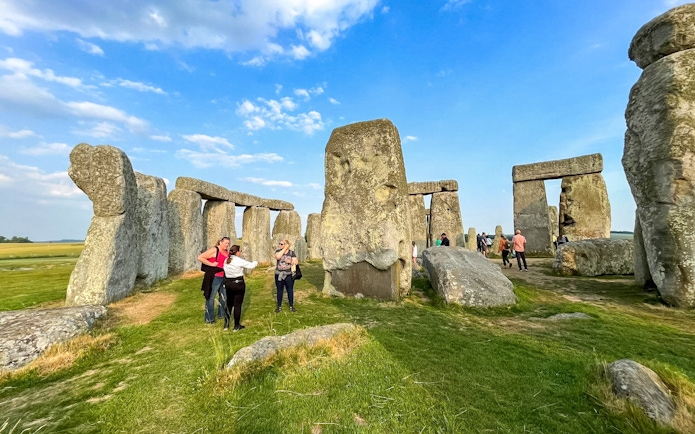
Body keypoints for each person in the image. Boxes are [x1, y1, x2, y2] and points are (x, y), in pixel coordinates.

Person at [222, 244, 258, 331]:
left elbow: (224, 270)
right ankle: (236, 325)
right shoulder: (238, 260)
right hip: (238, 283)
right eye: (240, 251)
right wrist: (256, 262)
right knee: (237, 305)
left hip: (228, 283)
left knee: (229, 304)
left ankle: (226, 325)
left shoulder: (226, 260)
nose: (241, 252)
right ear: (237, 252)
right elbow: (251, 265)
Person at [197, 237, 230, 324]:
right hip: (214, 277)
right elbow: (200, 257)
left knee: (224, 297)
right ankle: (209, 319)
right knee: (211, 298)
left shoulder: (227, 251)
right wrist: (211, 264)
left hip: (224, 276)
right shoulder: (214, 250)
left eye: (228, 243)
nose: (227, 245)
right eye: (226, 243)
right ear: (220, 242)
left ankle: (221, 314)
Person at [274, 239, 299, 313]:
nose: (280, 245)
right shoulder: (278, 251)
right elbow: (278, 257)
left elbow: (296, 262)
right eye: (280, 244)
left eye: (282, 244)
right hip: (279, 274)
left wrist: (291, 261)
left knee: (290, 291)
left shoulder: (291, 253)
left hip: (289, 275)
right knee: (279, 291)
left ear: (287, 244)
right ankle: (279, 306)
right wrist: (284, 248)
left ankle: (291, 306)